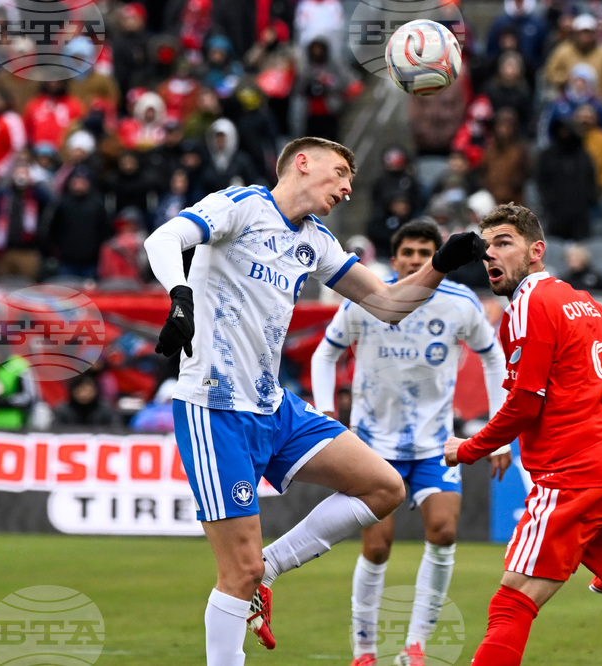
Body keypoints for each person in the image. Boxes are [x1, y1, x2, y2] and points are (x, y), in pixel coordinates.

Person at [142, 136, 489, 665]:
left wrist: (440, 263)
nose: (349, 187)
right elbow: (163, 240)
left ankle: (272, 567)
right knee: (237, 574)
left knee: (384, 487)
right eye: (342, 172)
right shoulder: (241, 206)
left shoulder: (316, 241)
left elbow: (390, 304)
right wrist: (180, 295)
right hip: (214, 408)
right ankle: (252, 584)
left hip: (273, 406)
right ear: (302, 163)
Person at [442, 203, 602, 666]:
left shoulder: (527, 305)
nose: (491, 256)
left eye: (504, 243)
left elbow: (525, 404)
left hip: (575, 477)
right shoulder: (579, 301)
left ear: (536, 251)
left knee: (511, 603)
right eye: (485, 249)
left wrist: (468, 448)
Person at [310, 219, 513, 666]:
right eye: (409, 253)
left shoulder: (460, 303)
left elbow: (493, 356)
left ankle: (415, 647)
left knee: (443, 533)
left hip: (436, 444)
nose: (416, 260)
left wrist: (499, 434)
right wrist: (326, 410)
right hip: (372, 445)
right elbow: (325, 352)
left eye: (426, 253)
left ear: (439, 257)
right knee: (377, 546)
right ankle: (364, 651)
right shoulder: (367, 298)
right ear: (396, 256)